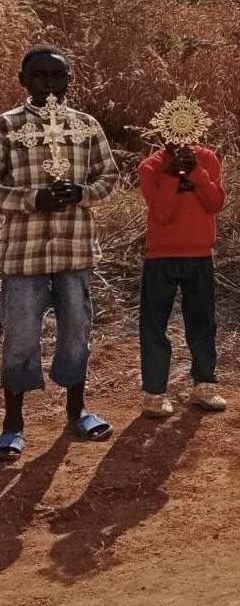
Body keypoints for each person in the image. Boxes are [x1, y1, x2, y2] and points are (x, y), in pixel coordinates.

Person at [1, 45, 120, 462]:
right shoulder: (7, 126)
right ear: (22, 80)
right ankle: (13, 423)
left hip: (74, 250)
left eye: (58, 76)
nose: (49, 84)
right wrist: (32, 198)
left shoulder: (86, 126)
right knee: (20, 334)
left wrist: (82, 193)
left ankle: (77, 411)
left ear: (69, 80)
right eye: (39, 75)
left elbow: (109, 177)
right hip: (24, 253)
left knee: (76, 330)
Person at [136, 126, 228, 418]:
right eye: (172, 133)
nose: (180, 140)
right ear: (163, 134)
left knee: (203, 321)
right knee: (154, 324)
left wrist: (196, 172)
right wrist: (172, 174)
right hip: (160, 256)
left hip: (199, 254)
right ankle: (154, 393)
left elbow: (216, 203)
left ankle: (204, 384)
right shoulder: (150, 166)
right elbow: (162, 214)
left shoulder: (208, 158)